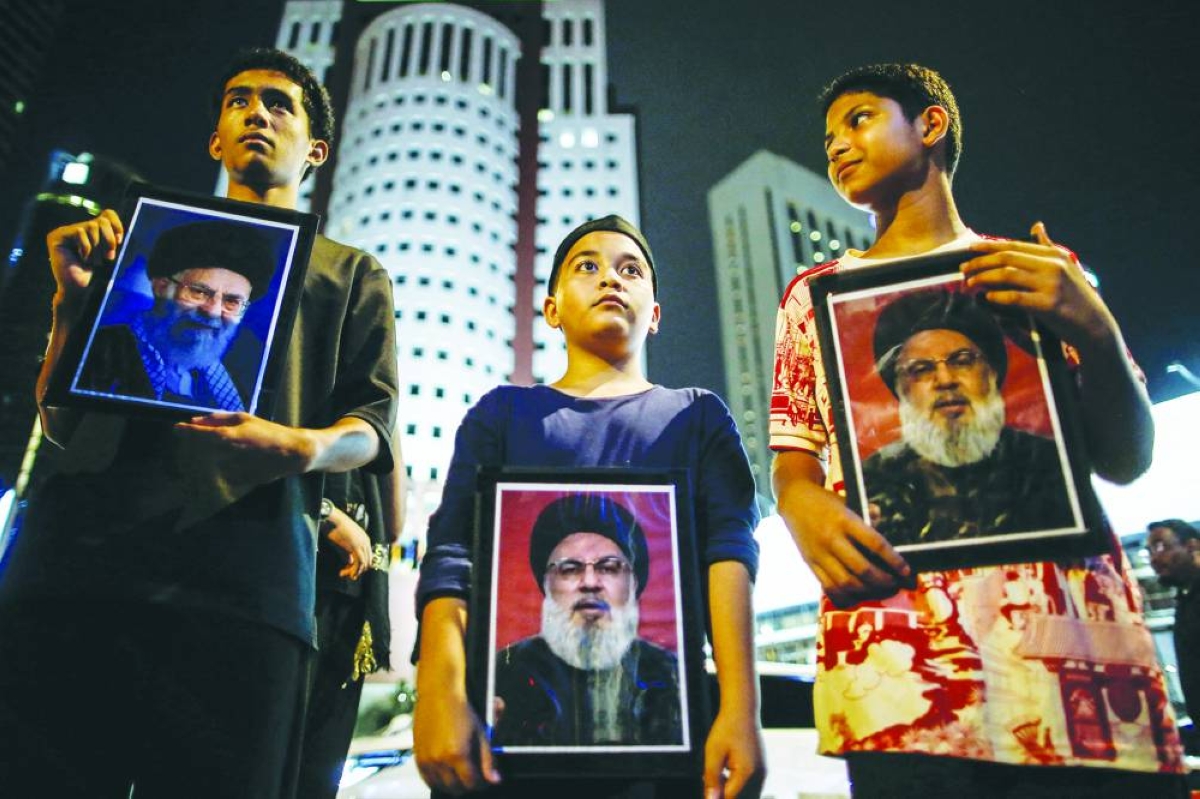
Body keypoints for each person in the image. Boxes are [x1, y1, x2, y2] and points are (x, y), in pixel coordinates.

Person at [769, 63, 1186, 797]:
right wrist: (799, 505)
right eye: (828, 136)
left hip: (1071, 670)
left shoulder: (1035, 273)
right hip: (901, 675)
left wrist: (1094, 326)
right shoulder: (814, 299)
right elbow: (795, 456)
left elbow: (1125, 459)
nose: (836, 145)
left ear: (930, 124)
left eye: (859, 119)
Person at [0, 47, 398, 799]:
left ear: (315, 150)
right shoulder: (128, 250)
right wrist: (68, 304)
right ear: (215, 136)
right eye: (239, 100)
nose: (257, 113)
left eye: (280, 104)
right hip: (80, 573)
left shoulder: (348, 272)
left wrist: (300, 446)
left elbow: (373, 426)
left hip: (250, 591)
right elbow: (58, 421)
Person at [413, 215, 764, 798]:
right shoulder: (501, 415)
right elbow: (452, 555)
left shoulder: (697, 416)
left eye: (631, 269)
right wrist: (438, 692)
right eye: (588, 266)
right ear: (551, 309)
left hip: (668, 757)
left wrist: (740, 709)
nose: (611, 279)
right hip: (503, 760)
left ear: (654, 314)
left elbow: (728, 555)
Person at [862, 288, 1073, 545]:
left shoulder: (1045, 460)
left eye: (961, 361)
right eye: (921, 369)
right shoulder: (875, 477)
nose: (946, 380)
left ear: (992, 374)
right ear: (900, 389)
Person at [493, 493, 682, 747]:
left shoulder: (670, 675)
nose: (590, 583)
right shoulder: (504, 672)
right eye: (570, 569)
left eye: (609, 567)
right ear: (546, 585)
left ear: (634, 584)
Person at [296, 446, 406, 799]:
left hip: (353, 604)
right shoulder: (306, 395)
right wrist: (326, 512)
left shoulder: (374, 412)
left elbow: (393, 523)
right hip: (295, 587)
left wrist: (388, 425)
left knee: (316, 774)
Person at [77, 219, 278, 410]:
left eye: (232, 302)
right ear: (161, 287)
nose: (213, 311)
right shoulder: (96, 350)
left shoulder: (241, 384)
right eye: (199, 292)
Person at [1147, 520, 1200, 724]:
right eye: (1150, 551)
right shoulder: (1186, 600)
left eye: (1161, 547)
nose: (1154, 559)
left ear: (1192, 546)